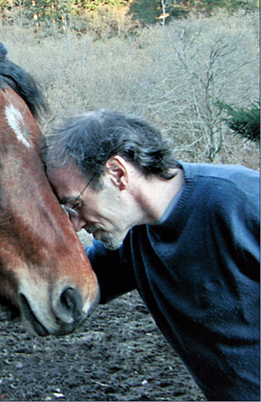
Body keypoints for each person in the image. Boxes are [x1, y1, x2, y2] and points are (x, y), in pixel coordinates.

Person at [42, 110, 260, 401]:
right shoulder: (131, 240)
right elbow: (63, 290)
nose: (75, 223)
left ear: (117, 174)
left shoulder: (242, 202)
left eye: (76, 205)